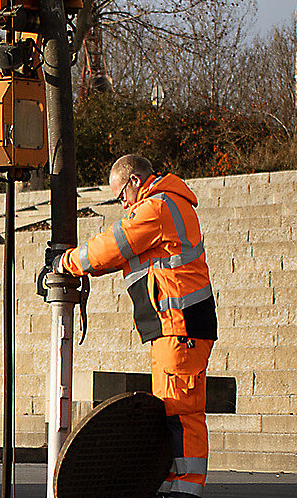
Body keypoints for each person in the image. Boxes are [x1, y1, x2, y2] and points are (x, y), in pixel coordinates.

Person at [46, 154, 217, 498]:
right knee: (172, 407)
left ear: (136, 181)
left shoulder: (156, 208)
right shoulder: (168, 205)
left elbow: (112, 246)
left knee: (180, 410)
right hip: (176, 326)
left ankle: (186, 489)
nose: (121, 202)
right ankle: (177, 483)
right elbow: (121, 256)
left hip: (179, 325)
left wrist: (64, 263)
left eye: (121, 193)